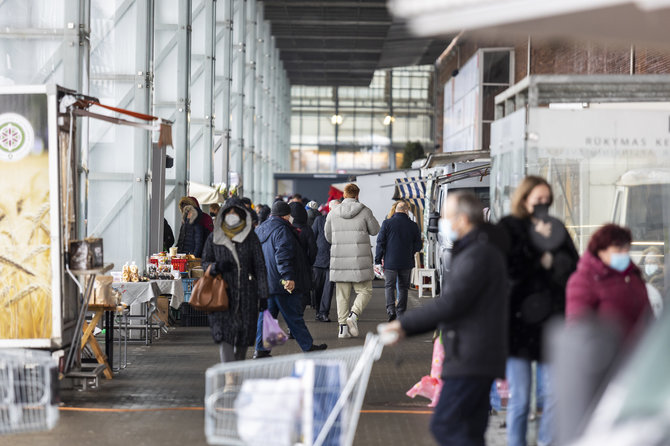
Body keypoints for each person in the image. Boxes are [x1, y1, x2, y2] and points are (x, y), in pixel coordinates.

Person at [381, 191, 509, 446]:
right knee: (468, 429)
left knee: (446, 425)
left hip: (472, 356)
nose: (443, 222)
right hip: (476, 353)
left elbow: (452, 303)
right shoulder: (478, 249)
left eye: (448, 216)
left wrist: (404, 325)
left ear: (462, 219)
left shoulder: (477, 254)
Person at [497, 176, 579, 446]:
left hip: (551, 322)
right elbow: (507, 270)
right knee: (520, 398)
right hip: (518, 323)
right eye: (538, 200)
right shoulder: (509, 227)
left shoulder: (556, 227)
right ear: (524, 199)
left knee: (555, 394)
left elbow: (572, 267)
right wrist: (536, 251)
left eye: (547, 200)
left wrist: (552, 258)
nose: (543, 205)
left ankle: (546, 442)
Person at [556, 224, 651, 444]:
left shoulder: (633, 276)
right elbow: (578, 326)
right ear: (601, 250)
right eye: (617, 249)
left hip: (634, 360)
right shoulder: (585, 280)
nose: (623, 254)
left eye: (626, 249)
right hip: (603, 364)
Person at [254, 201, 327, 357]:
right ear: (286, 215)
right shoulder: (282, 230)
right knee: (293, 316)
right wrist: (288, 277)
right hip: (281, 282)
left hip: (267, 281)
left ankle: (260, 350)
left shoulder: (260, 229)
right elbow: (283, 255)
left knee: (266, 317)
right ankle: (308, 347)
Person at [202, 198, 268, 363]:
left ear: (242, 215)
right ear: (223, 215)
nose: (232, 216)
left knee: (243, 336)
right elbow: (204, 262)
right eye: (228, 213)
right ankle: (230, 377)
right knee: (225, 336)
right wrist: (216, 267)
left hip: (246, 295)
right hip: (222, 294)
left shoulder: (250, 237)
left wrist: (263, 293)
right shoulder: (214, 237)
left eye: (236, 213)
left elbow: (259, 266)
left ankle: (236, 370)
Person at [325, 183, 380, 339]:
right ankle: (354, 314)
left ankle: (342, 329)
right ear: (357, 195)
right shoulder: (365, 211)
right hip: (359, 261)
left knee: (341, 296)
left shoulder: (332, 213)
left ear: (343, 195)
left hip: (339, 260)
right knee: (365, 291)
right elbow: (375, 230)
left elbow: (328, 237)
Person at [375, 201, 423, 321]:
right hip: (406, 261)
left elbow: (380, 243)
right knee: (403, 287)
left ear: (396, 210)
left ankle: (391, 310)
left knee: (389, 286)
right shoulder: (413, 225)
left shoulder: (387, 223)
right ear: (406, 211)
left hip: (390, 262)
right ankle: (401, 312)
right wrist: (411, 251)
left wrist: (377, 260)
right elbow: (419, 245)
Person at [312, 200, 339, 322]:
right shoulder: (319, 220)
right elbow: (312, 237)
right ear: (330, 209)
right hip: (318, 259)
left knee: (328, 288)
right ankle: (318, 310)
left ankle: (324, 313)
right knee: (318, 287)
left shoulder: (342, 222)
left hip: (334, 260)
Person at [289, 202, 318, 310]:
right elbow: (313, 249)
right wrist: (310, 262)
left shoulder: (287, 228)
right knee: (303, 291)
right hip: (304, 265)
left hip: (290, 264)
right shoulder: (307, 229)